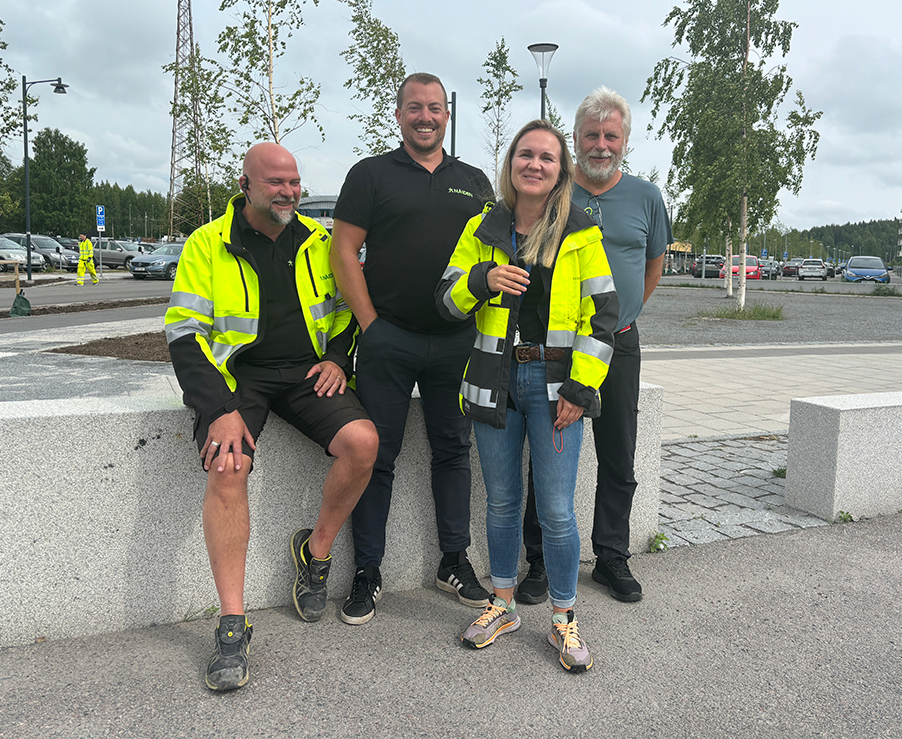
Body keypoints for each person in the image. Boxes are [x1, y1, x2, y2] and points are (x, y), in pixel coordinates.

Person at [166, 142, 378, 691]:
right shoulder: (207, 244)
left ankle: (315, 552)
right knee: (227, 467)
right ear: (247, 186)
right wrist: (217, 408)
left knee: (363, 443)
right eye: (275, 183)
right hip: (240, 379)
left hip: (308, 372)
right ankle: (233, 625)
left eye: (294, 182)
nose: (288, 192)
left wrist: (337, 357)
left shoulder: (322, 241)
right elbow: (183, 334)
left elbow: (348, 310)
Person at [436, 119, 618, 672]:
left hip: (557, 385)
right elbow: (444, 300)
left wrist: (582, 388)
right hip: (494, 379)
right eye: (525, 155)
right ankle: (503, 602)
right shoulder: (483, 227)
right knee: (502, 502)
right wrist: (481, 280)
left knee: (557, 511)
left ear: (561, 171)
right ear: (511, 164)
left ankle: (563, 616)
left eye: (547, 157)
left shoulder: (581, 232)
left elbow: (604, 317)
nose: (534, 164)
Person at [331, 73, 495, 625]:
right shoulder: (370, 174)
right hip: (389, 339)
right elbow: (344, 251)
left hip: (458, 342)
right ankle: (367, 571)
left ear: (447, 114)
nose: (425, 117)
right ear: (398, 113)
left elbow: (496, 259)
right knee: (378, 457)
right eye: (414, 108)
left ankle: (454, 559)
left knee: (453, 451)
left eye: (435, 108)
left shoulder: (474, 181)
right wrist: (370, 325)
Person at [517, 87, 672, 606]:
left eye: (611, 135)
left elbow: (653, 264)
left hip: (618, 345)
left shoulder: (647, 198)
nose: (601, 145)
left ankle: (611, 557)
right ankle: (539, 562)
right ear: (576, 139)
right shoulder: (555, 195)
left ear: (625, 140)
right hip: (558, 351)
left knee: (618, 454)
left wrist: (624, 315)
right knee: (548, 452)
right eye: (591, 135)